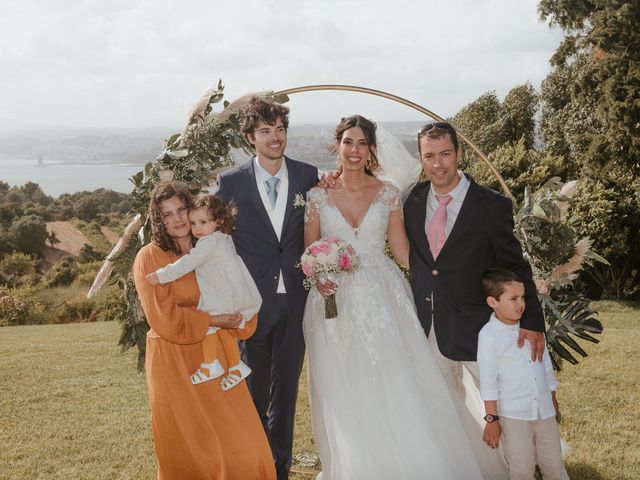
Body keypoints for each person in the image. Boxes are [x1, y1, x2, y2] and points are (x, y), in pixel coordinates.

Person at [303, 114, 486, 479]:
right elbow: (310, 248)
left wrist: (450, 272)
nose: (354, 150)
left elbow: (402, 252)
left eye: (362, 143)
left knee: (397, 376)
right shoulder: (317, 194)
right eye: (348, 142)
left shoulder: (387, 193)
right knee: (345, 384)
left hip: (383, 297)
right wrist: (319, 275)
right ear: (337, 146)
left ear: (372, 150)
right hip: (333, 302)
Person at [403, 121, 547, 474]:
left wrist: (531, 321)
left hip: (481, 329)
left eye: (446, 154)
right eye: (430, 156)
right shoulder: (412, 199)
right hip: (429, 325)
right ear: (421, 158)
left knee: (504, 411)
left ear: (459, 154)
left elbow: (514, 265)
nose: (438, 164)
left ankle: (520, 470)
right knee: (443, 409)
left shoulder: (491, 205)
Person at [132, 181, 275, 480]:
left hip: (217, 360)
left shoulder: (213, 245)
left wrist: (238, 317)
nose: (178, 219)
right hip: (174, 360)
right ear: (158, 220)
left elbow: (236, 289)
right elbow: (162, 317)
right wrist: (214, 320)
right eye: (167, 214)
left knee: (246, 444)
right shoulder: (150, 256)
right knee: (191, 448)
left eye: (181, 210)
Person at [216, 97, 319, 479]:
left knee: (286, 395)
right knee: (253, 394)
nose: (275, 138)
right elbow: (210, 235)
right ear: (250, 137)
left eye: (280, 130)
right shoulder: (229, 182)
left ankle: (279, 470)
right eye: (265, 131)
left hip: (295, 300)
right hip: (251, 304)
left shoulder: (309, 176)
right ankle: (253, 466)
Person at [145, 193, 261, 390]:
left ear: (219, 221)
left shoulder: (208, 243)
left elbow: (187, 263)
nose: (197, 229)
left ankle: (210, 364)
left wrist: (161, 276)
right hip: (234, 293)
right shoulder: (223, 238)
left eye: (202, 222)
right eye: (193, 222)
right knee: (222, 329)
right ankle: (235, 365)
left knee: (208, 323)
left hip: (222, 293)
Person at [478, 268, 568, 480]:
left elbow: (545, 364)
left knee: (554, 467)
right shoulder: (489, 337)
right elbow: (489, 382)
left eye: (523, 297)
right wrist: (492, 420)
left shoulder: (532, 328)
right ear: (493, 302)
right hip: (514, 415)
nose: (521, 304)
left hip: (544, 411)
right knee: (522, 470)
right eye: (513, 298)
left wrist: (553, 397)